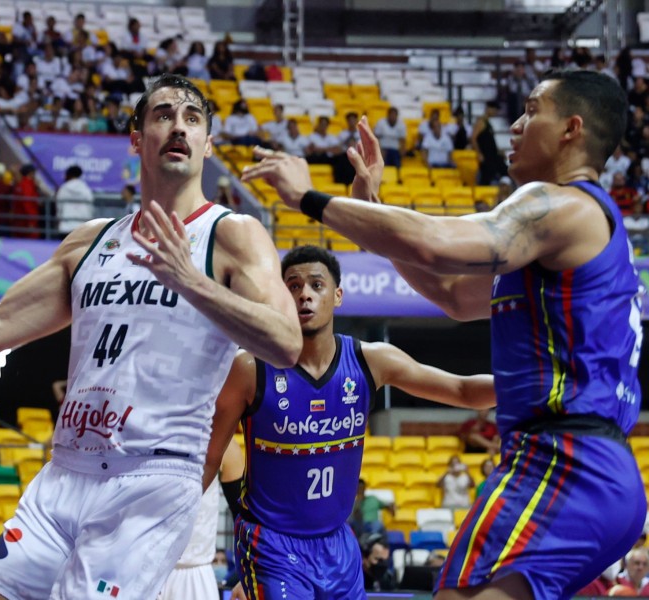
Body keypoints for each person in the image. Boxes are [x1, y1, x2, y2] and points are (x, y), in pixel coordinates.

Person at [0, 72, 300, 600]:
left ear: (206, 143)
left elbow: (285, 343)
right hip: (65, 472)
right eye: (163, 115)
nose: (179, 125)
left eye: (192, 118)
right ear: (136, 139)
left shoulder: (232, 233)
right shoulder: (90, 241)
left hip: (149, 480)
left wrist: (191, 282)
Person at [242, 69, 646, 600]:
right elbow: (454, 293)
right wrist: (375, 206)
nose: (517, 125)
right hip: (595, 468)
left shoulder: (565, 205)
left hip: (563, 460)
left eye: (532, 111)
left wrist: (310, 199)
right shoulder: (561, 244)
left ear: (572, 129)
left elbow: (434, 242)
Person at [206, 245, 494, 599]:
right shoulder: (250, 368)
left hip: (338, 544)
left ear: (338, 296)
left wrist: (534, 384)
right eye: (293, 287)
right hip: (272, 544)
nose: (305, 295)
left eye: (316, 285)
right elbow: (208, 458)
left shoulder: (369, 361)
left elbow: (462, 390)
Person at [157, 438, 244, 600]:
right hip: (141, 564)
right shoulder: (139, 434)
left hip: (194, 571)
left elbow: (242, 516)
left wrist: (244, 576)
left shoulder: (223, 442)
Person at [55, 165, 94, 236]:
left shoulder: (63, 189)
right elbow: (90, 206)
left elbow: (59, 206)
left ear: (68, 175)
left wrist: (59, 219)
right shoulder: (85, 189)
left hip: (65, 226)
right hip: (82, 227)